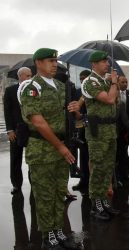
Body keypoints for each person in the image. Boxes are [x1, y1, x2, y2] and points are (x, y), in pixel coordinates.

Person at [18, 48, 79, 249]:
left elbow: (68, 118)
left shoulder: (61, 86)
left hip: (61, 147)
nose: (55, 64)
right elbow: (38, 122)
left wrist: (76, 111)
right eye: (50, 61)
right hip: (42, 151)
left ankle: (58, 229)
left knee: (58, 193)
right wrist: (61, 147)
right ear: (38, 62)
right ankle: (48, 235)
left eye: (55, 61)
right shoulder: (32, 87)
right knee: (44, 195)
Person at [80, 50, 120, 221]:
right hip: (98, 133)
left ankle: (103, 201)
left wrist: (112, 83)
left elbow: (115, 101)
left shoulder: (104, 80)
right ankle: (95, 204)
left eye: (107, 61)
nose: (107, 64)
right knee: (97, 169)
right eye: (103, 62)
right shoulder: (90, 82)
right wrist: (114, 83)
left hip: (110, 130)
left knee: (107, 167)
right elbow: (110, 99)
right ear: (94, 64)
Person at [3, 67, 32, 194]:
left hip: (31, 129)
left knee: (33, 157)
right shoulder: (10, 91)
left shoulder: (34, 89)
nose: (30, 78)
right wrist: (9, 130)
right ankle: (16, 185)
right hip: (16, 130)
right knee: (15, 158)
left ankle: (34, 183)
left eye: (31, 75)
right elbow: (7, 112)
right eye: (27, 75)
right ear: (20, 76)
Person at [72, 70, 91, 193]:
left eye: (84, 78)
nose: (82, 80)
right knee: (83, 156)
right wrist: (77, 114)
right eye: (80, 78)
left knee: (93, 157)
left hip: (94, 126)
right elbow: (73, 107)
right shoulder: (78, 92)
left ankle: (94, 183)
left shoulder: (94, 91)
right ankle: (83, 180)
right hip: (82, 127)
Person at [115, 75, 129, 185]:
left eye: (126, 82)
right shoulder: (112, 96)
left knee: (123, 153)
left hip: (126, 130)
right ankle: (117, 177)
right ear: (117, 83)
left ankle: (124, 175)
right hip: (114, 130)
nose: (125, 84)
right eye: (122, 82)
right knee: (116, 155)